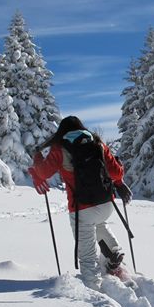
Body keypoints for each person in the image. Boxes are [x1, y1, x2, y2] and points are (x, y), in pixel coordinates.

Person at [28, 116, 131, 290]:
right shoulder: (98, 143)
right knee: (99, 224)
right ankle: (114, 253)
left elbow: (43, 172)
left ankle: (93, 290)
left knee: (87, 253)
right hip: (106, 204)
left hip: (81, 207)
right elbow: (117, 174)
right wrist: (119, 166)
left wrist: (37, 160)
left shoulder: (59, 148)